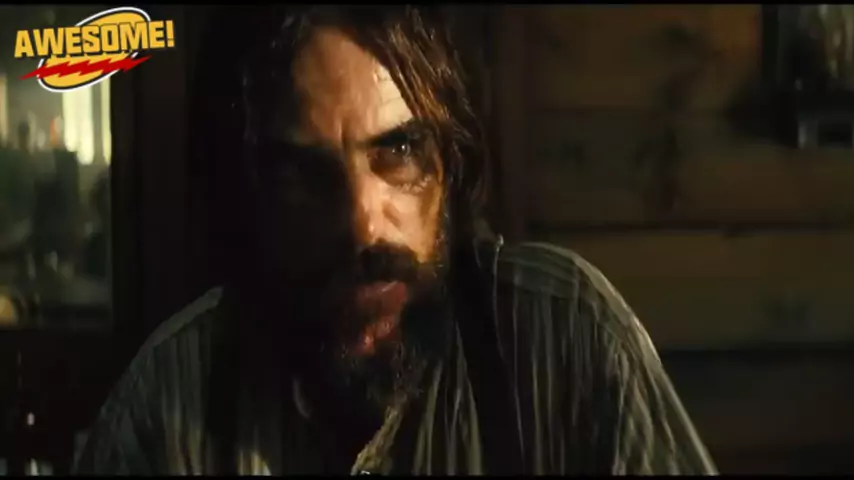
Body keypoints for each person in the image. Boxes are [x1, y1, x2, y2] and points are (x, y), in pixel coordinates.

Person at [73, 6, 717, 475]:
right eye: (306, 174)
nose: (362, 224)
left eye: (399, 151)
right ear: (251, 195)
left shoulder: (560, 341)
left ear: (450, 164)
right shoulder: (171, 400)